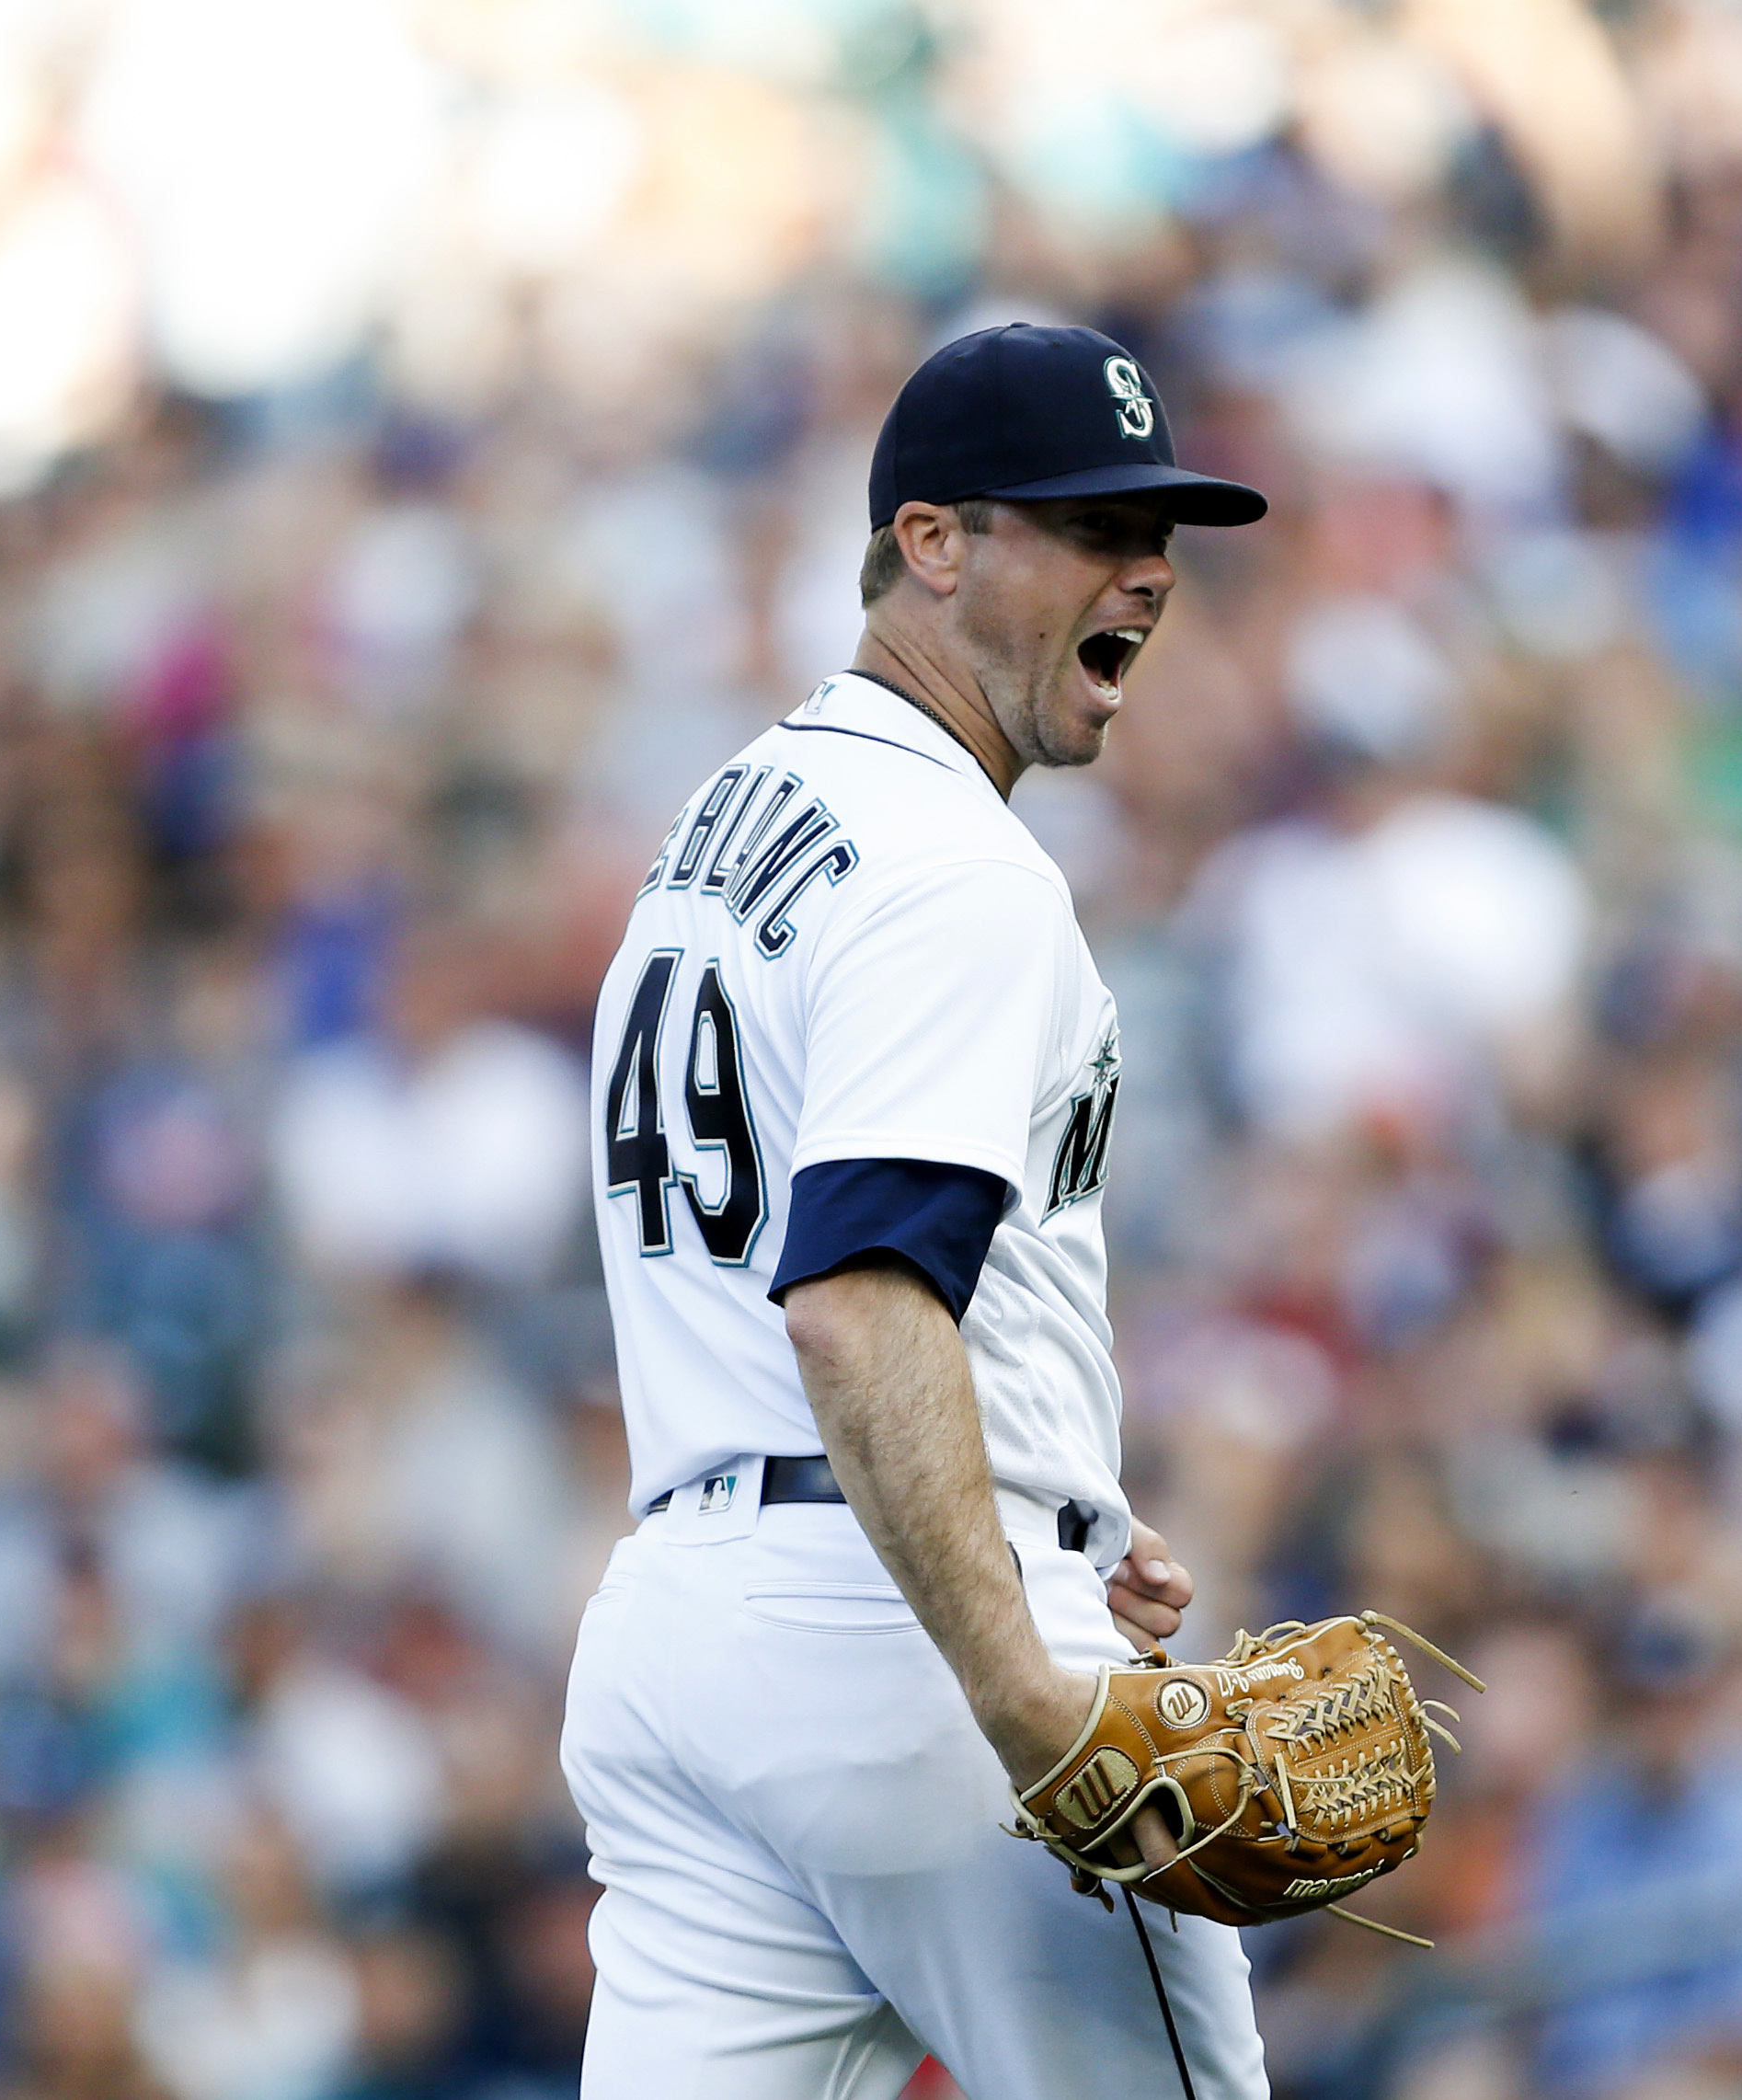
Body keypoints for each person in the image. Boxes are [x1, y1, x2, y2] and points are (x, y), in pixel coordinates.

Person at [557, 323, 1272, 2099]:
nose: (1146, 572)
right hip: (906, 1650)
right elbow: (858, 1301)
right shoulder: (955, 865)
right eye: (1091, 526)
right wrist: (1025, 1667)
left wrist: (1064, 1496)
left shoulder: (721, 830)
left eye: (1159, 534)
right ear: (932, 544)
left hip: (682, 1635)